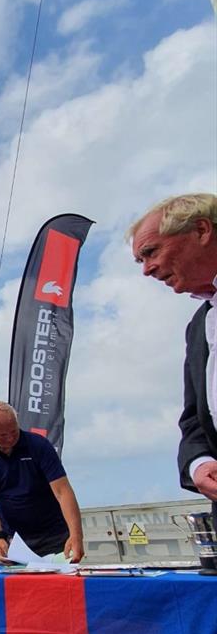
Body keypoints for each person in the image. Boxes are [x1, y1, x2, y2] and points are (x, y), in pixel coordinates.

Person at [128, 193, 217, 513]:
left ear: (202, 231)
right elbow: (195, 419)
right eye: (140, 261)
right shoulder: (198, 327)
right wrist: (199, 463)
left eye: (150, 253)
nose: (147, 270)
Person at [0, 401, 85, 564]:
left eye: (13, 431)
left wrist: (76, 534)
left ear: (18, 420)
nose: (10, 438)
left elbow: (62, 491)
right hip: (13, 540)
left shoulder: (39, 445)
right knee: (13, 587)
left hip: (53, 535)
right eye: (2, 435)